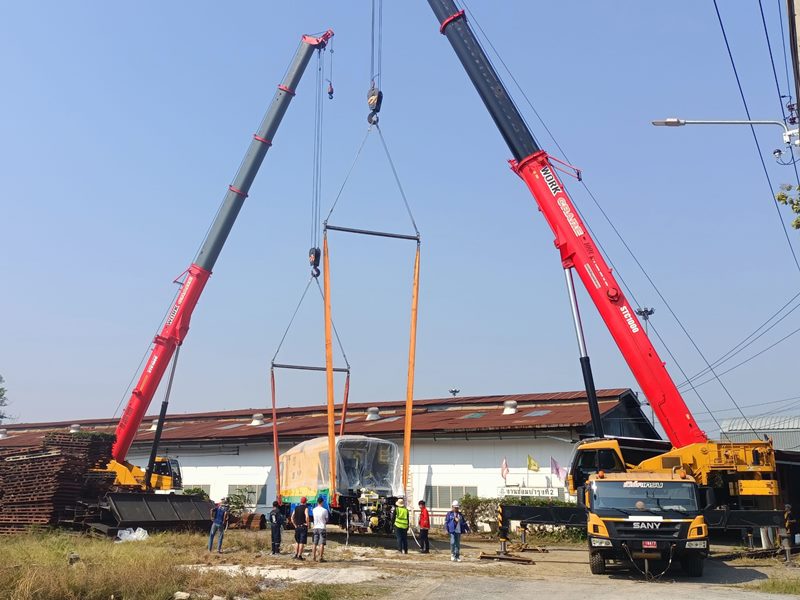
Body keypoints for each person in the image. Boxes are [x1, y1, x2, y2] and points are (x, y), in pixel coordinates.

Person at [291, 496, 310, 560]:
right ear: (305, 502)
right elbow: (307, 516)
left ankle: (296, 554)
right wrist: (307, 524)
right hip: (303, 526)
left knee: (297, 542)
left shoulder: (296, 508)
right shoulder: (306, 508)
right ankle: (299, 556)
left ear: (300, 501)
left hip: (297, 527)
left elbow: (292, 517)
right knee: (302, 542)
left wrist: (294, 525)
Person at [312, 496, 330, 562]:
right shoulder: (325, 510)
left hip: (315, 527)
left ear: (317, 502)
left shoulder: (314, 510)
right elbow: (327, 519)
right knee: (322, 543)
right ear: (322, 502)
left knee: (314, 543)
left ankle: (313, 557)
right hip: (322, 527)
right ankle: (320, 557)